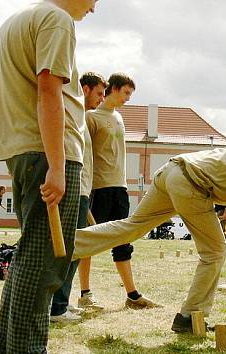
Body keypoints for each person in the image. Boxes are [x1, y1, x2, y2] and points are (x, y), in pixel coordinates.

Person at [72, 146, 226, 332]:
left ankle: (68, 244)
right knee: (215, 252)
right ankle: (189, 317)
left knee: (132, 227)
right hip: (191, 186)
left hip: (171, 171)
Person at [0, 1, 98, 352]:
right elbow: (49, 90)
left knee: (29, 259)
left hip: (23, 150)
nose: (94, 8)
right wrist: (57, 164)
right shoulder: (57, 20)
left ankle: (6, 345)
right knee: (44, 268)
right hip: (47, 151)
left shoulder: (16, 22)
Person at [82, 72, 160, 310]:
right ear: (113, 89)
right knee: (89, 241)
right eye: (126, 92)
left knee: (123, 241)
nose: (128, 98)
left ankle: (132, 295)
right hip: (99, 188)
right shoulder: (90, 117)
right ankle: (85, 294)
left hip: (120, 188)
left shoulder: (119, 117)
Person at [50, 72, 107, 322]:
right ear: (84, 89)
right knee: (69, 250)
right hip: (74, 189)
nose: (102, 99)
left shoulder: (82, 120)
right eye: (99, 93)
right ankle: (57, 308)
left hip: (83, 191)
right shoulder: (71, 116)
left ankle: (62, 302)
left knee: (76, 248)